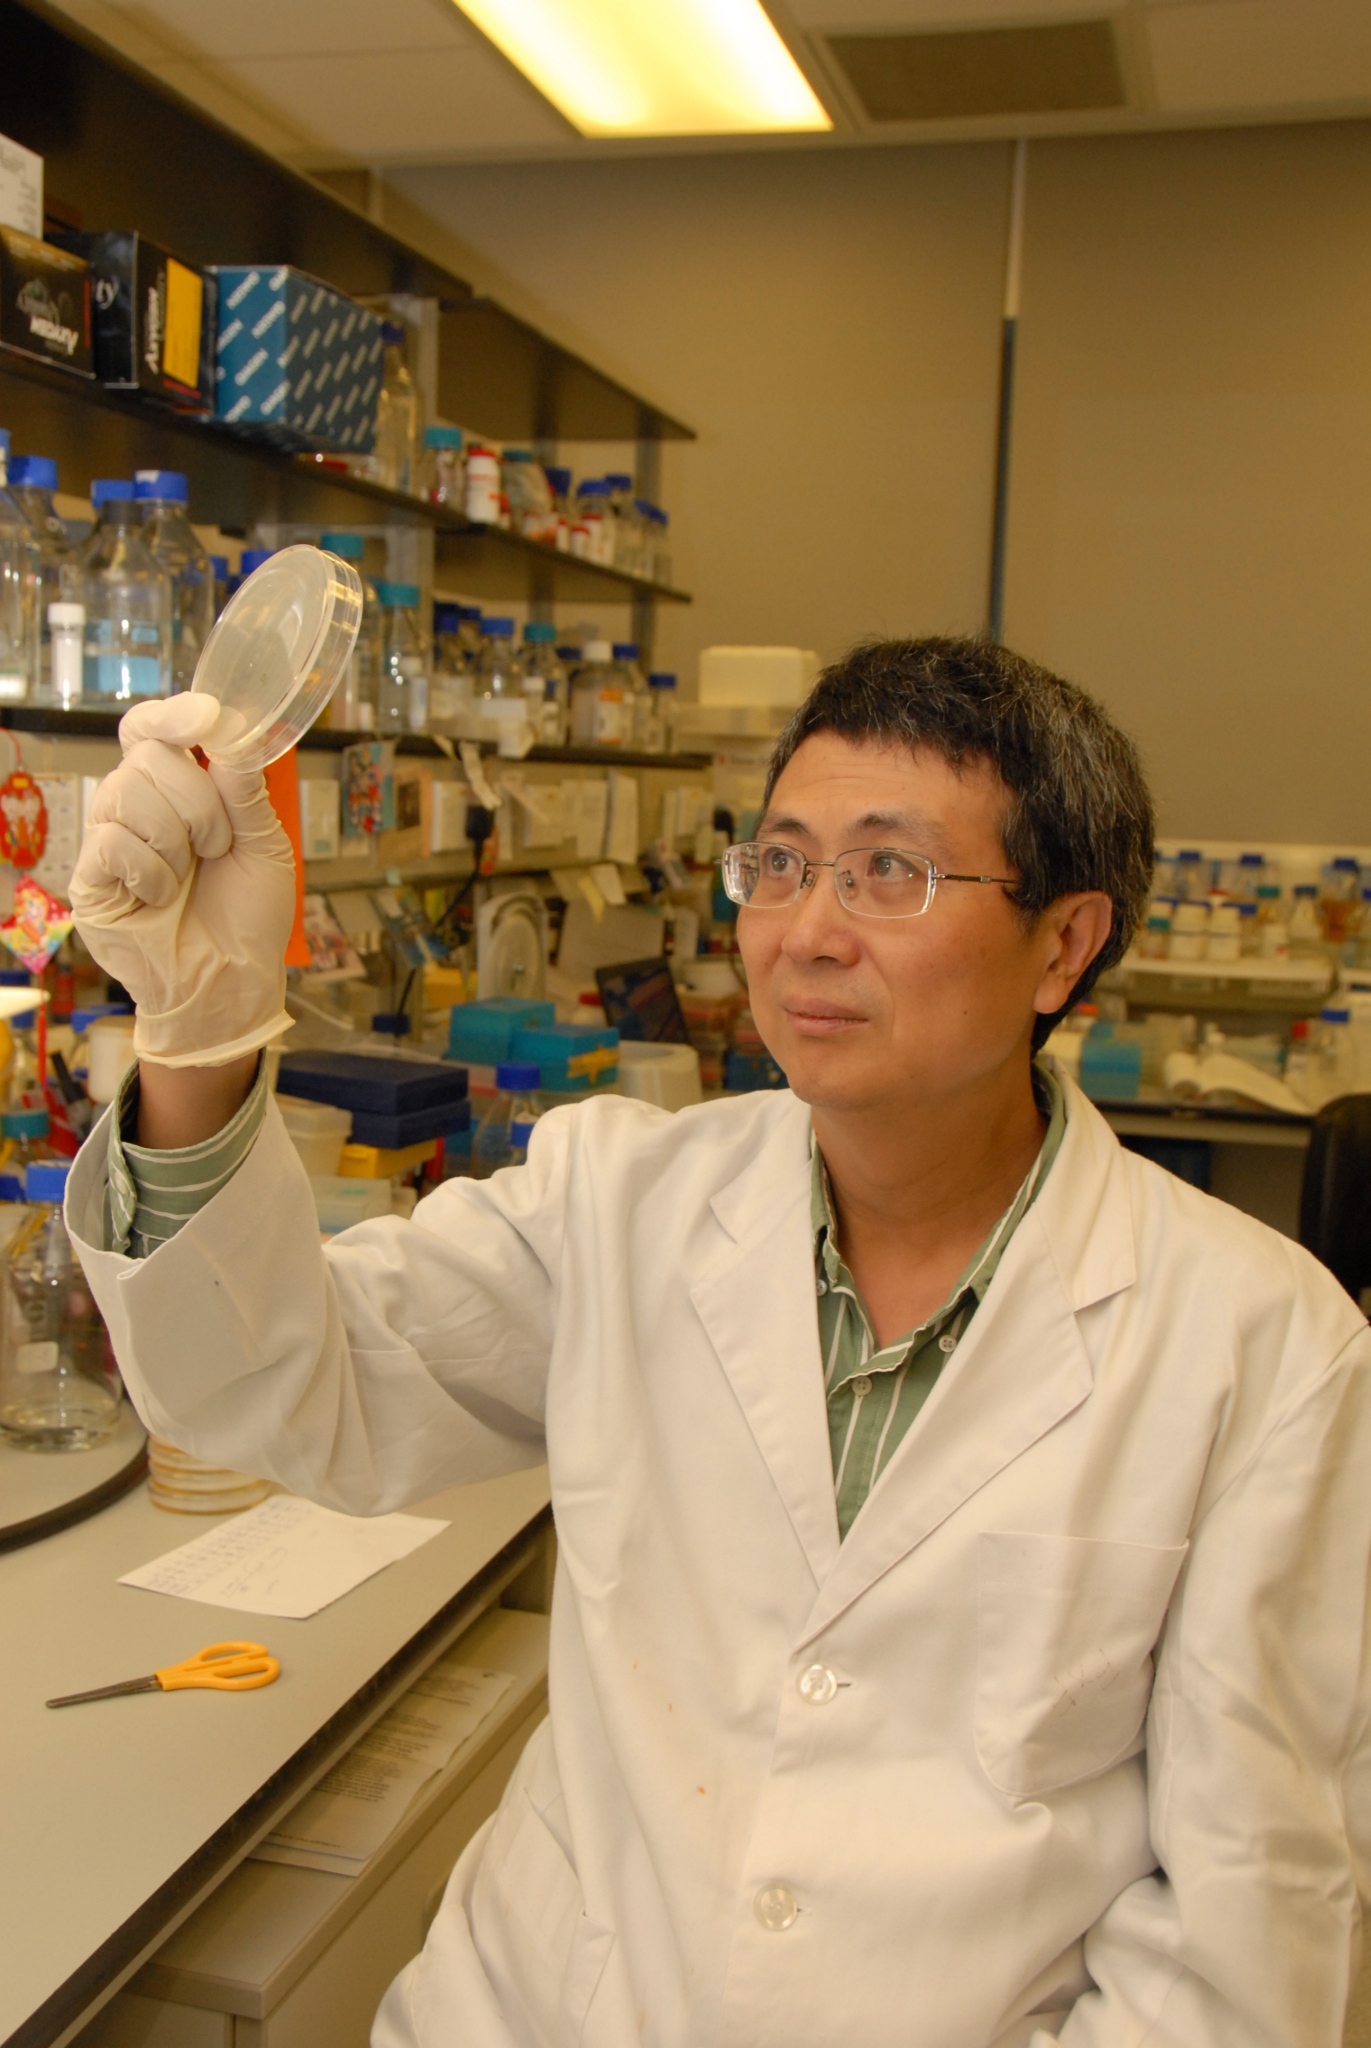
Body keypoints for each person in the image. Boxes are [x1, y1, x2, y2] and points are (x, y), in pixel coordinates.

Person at [67, 638, 1371, 2048]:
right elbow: (270, 1384)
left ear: (1064, 944)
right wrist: (197, 1030)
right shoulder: (619, 1202)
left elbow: (1246, 1928)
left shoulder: (1262, 1348)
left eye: (890, 872)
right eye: (784, 863)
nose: (807, 930)